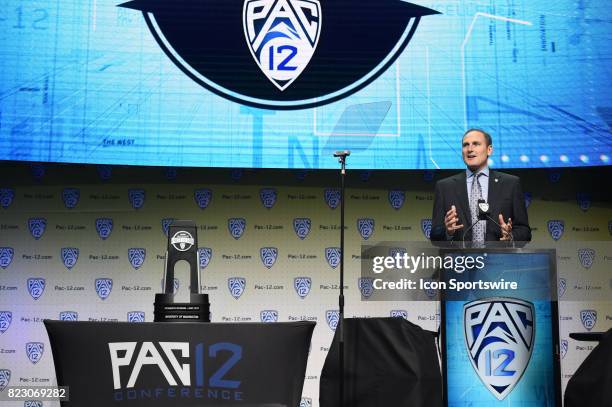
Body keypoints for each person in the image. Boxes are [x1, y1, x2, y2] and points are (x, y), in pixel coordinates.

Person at [430, 129, 531, 243]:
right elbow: (434, 234)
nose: (470, 149)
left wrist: (510, 236)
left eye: (476, 144)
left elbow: (525, 231)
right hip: (460, 259)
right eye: (465, 145)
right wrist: (447, 231)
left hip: (499, 258)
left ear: (489, 150)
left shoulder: (510, 184)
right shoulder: (445, 187)